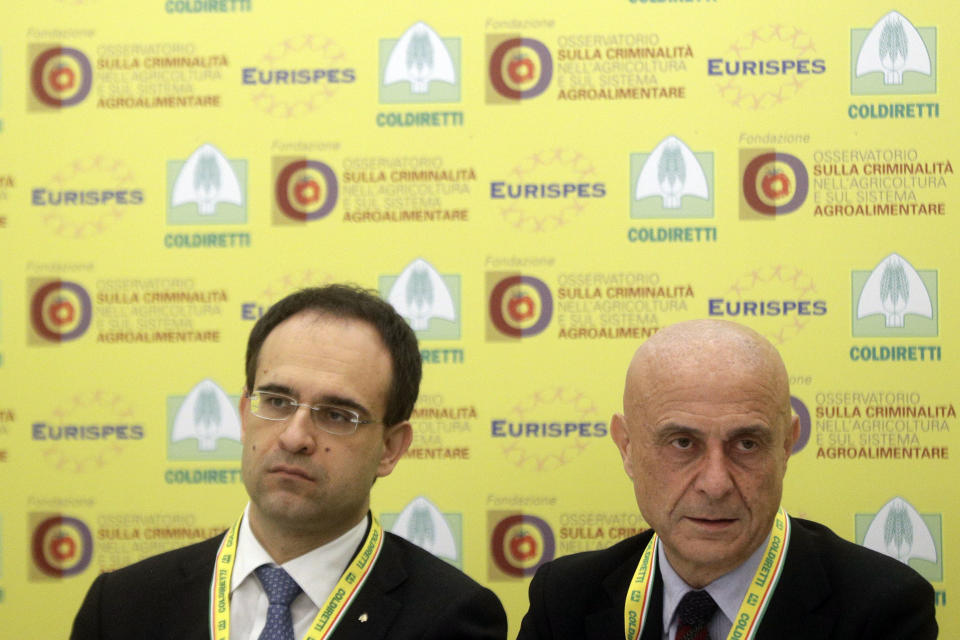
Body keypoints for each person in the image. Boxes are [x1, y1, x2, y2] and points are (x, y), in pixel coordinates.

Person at [72, 284, 507, 639]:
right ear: (244, 416)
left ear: (391, 448)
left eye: (338, 415)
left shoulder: (452, 620)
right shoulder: (123, 607)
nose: (295, 436)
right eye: (277, 401)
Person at [517, 319, 937, 640]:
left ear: (787, 446)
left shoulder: (882, 609)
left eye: (747, 444)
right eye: (682, 443)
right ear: (626, 447)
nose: (715, 484)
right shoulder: (565, 599)